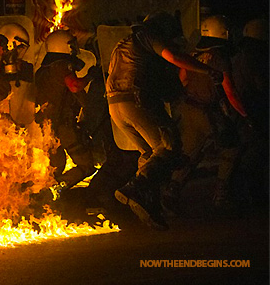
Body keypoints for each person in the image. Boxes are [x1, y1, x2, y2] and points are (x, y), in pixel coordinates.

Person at [108, 12, 223, 230]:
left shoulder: (123, 44)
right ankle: (136, 188)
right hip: (136, 101)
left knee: (151, 155)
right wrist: (208, 71)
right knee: (169, 146)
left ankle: (149, 207)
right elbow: (173, 57)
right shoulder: (148, 35)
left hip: (116, 106)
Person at [162, 15, 249, 212]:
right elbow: (229, 90)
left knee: (190, 153)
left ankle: (170, 194)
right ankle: (221, 195)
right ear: (224, 33)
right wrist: (245, 115)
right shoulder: (219, 55)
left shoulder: (193, 53)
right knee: (231, 148)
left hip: (187, 108)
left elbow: (183, 79)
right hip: (207, 111)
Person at [35, 29, 98, 193]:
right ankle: (55, 190)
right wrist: (91, 76)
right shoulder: (61, 66)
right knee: (87, 166)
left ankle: (46, 199)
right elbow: (74, 86)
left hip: (48, 127)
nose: (74, 48)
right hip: (63, 127)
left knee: (56, 167)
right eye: (71, 45)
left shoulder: (46, 68)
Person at [230, 17, 269, 205]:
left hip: (239, 106)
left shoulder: (239, 54)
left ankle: (240, 192)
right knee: (257, 149)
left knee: (246, 149)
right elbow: (261, 85)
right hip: (251, 106)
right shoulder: (255, 57)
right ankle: (253, 193)